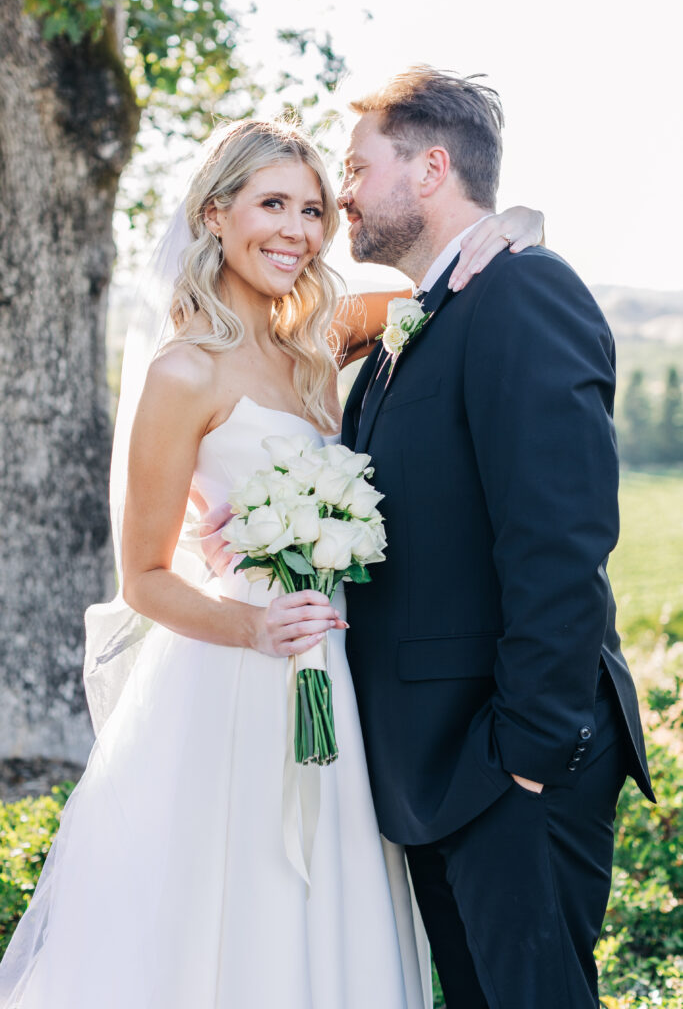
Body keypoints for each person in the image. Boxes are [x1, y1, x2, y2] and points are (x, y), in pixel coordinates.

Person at [0, 117, 542, 1008]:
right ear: (215, 215)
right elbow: (144, 576)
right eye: (271, 205)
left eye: (315, 209)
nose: (296, 230)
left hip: (338, 678)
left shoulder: (319, 345)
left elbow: (450, 283)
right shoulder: (184, 373)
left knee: (331, 916)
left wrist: (514, 220)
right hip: (234, 684)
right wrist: (252, 623)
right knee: (231, 920)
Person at [339, 66, 655, 1009]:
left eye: (357, 168)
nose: (342, 192)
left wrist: (525, 750)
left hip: (508, 765)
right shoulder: (422, 316)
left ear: (431, 167)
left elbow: (559, 539)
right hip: (434, 773)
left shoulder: (522, 294)